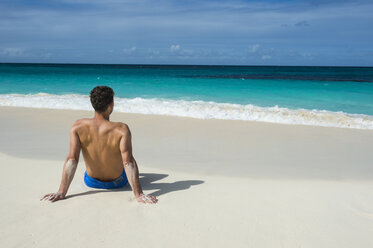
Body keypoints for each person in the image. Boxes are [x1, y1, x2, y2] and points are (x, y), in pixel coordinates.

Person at [41, 86, 157, 204]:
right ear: (111, 104)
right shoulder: (121, 129)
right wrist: (139, 195)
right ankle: (136, 191)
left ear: (93, 104)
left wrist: (61, 192)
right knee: (130, 159)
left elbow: (72, 159)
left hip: (91, 182)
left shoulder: (78, 126)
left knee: (76, 158)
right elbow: (128, 163)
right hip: (117, 183)